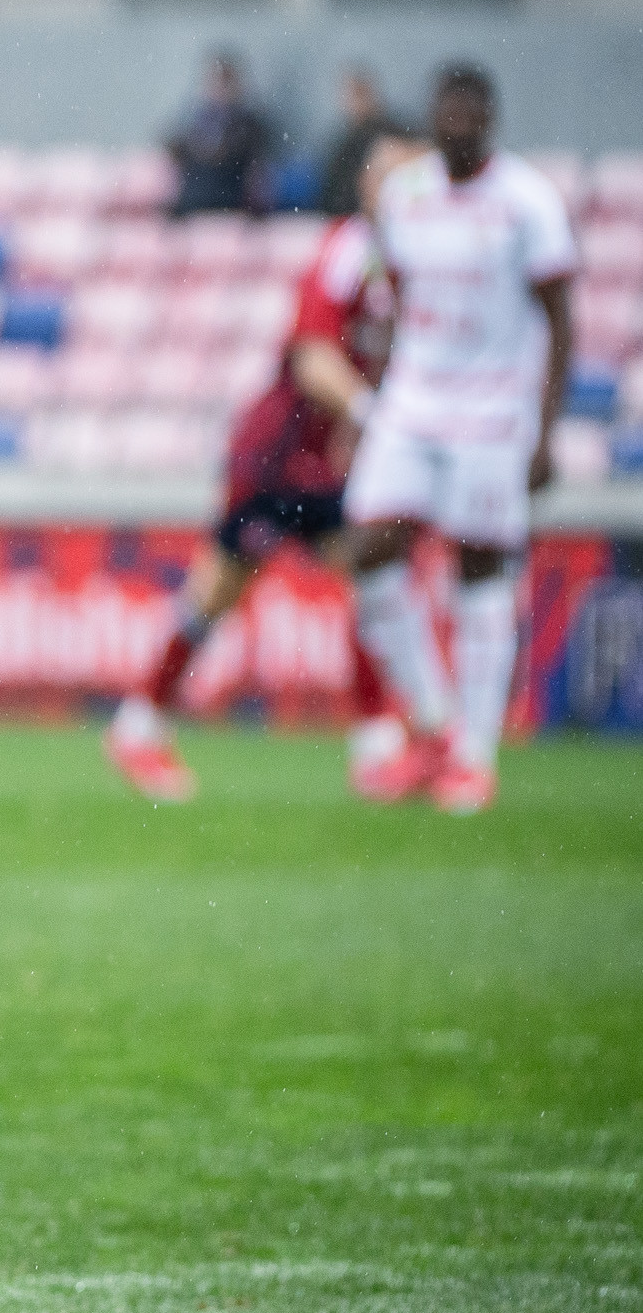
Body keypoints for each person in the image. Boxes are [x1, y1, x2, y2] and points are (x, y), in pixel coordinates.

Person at [104, 130, 422, 804]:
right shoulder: (347, 253)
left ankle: (381, 747)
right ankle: (139, 724)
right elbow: (313, 360)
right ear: (368, 187)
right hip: (280, 458)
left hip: (334, 464)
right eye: (391, 177)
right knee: (221, 589)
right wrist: (376, 418)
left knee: (370, 582)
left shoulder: (413, 263)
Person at [335, 67, 578, 815]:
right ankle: (435, 722)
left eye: (471, 115)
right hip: (413, 403)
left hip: (492, 412)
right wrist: (368, 404)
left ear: (490, 120)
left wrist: (544, 431)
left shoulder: (527, 202)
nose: (459, 125)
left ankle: (474, 754)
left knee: (480, 566)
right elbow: (399, 298)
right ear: (435, 119)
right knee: (368, 549)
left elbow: (560, 320)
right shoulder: (406, 195)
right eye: (449, 113)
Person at [165, 51, 277, 216]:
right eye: (214, 82)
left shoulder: (249, 125)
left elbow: (251, 168)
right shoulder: (193, 122)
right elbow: (173, 148)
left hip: (229, 207)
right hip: (191, 208)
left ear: (237, 87)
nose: (218, 90)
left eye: (224, 83)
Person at [313, 65, 411, 217]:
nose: (357, 103)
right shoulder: (342, 145)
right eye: (352, 96)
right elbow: (333, 197)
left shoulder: (397, 136)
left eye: (361, 94)